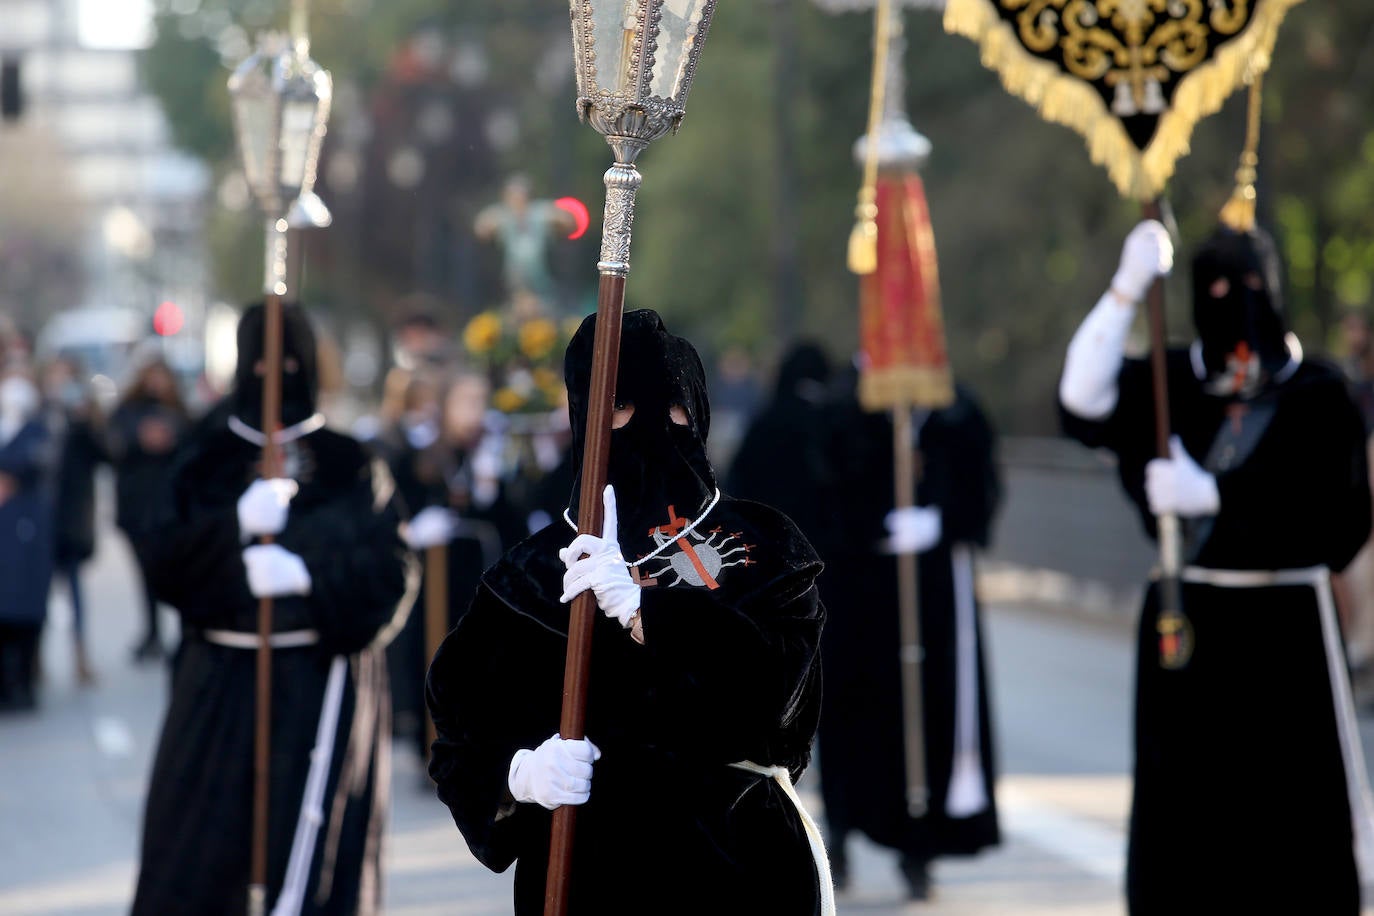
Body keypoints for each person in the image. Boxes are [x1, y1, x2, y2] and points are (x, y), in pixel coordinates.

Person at [426, 309, 831, 914]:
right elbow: (460, 723)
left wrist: (653, 613)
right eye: (618, 408)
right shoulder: (528, 575)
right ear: (583, 420)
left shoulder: (763, 547)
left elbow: (777, 700)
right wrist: (519, 772)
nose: (647, 431)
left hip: (736, 866)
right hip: (586, 875)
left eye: (669, 407)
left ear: (696, 410)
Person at [1059, 219, 1374, 914]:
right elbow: (1082, 399)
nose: (1235, 300)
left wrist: (1220, 497)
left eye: (1250, 285)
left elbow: (1342, 525)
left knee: (1297, 818)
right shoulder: (1171, 380)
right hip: (1189, 619)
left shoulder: (1319, 393)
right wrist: (1126, 287)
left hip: (1285, 624)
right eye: (1218, 287)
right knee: (1184, 816)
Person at [131, 303, 415, 915]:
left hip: (321, 684)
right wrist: (232, 531)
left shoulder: (349, 464)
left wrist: (308, 576)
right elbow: (161, 559)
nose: (275, 374)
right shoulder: (206, 459)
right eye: (261, 361)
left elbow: (392, 572)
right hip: (221, 688)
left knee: (312, 852)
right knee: (204, 858)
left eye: (289, 361)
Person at [816, 369, 1002, 898]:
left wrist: (943, 523)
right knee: (854, 712)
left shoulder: (955, 411)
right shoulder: (843, 410)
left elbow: (981, 488)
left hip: (931, 590)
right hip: (862, 590)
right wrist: (871, 526)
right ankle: (844, 832)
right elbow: (823, 494)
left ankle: (919, 847)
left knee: (928, 713)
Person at [389, 370, 525, 766]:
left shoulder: (495, 453)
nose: (473, 412)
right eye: (465, 401)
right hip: (436, 580)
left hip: (481, 579)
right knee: (435, 660)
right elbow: (400, 510)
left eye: (480, 401)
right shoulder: (420, 457)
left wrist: (490, 483)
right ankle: (433, 749)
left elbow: (512, 523)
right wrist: (415, 527)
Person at [108, 356, 188, 662]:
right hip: (136, 507)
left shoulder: (179, 413)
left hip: (168, 508)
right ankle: (152, 631)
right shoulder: (128, 413)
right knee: (145, 575)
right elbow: (114, 445)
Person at [41, 356, 106, 685]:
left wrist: (86, 420)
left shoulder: (82, 422)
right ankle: (35, 658)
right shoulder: (37, 415)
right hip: (38, 521)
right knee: (37, 590)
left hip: (72, 519)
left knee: (75, 588)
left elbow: (106, 454)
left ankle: (80, 654)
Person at [728, 342, 833, 544]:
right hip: (816, 540)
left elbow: (739, 482)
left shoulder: (763, 424)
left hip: (767, 539)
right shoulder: (822, 421)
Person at [0, 368, 54, 712]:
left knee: (25, 613)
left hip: (26, 533)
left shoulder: (37, 432)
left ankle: (23, 681)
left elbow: (36, 460)